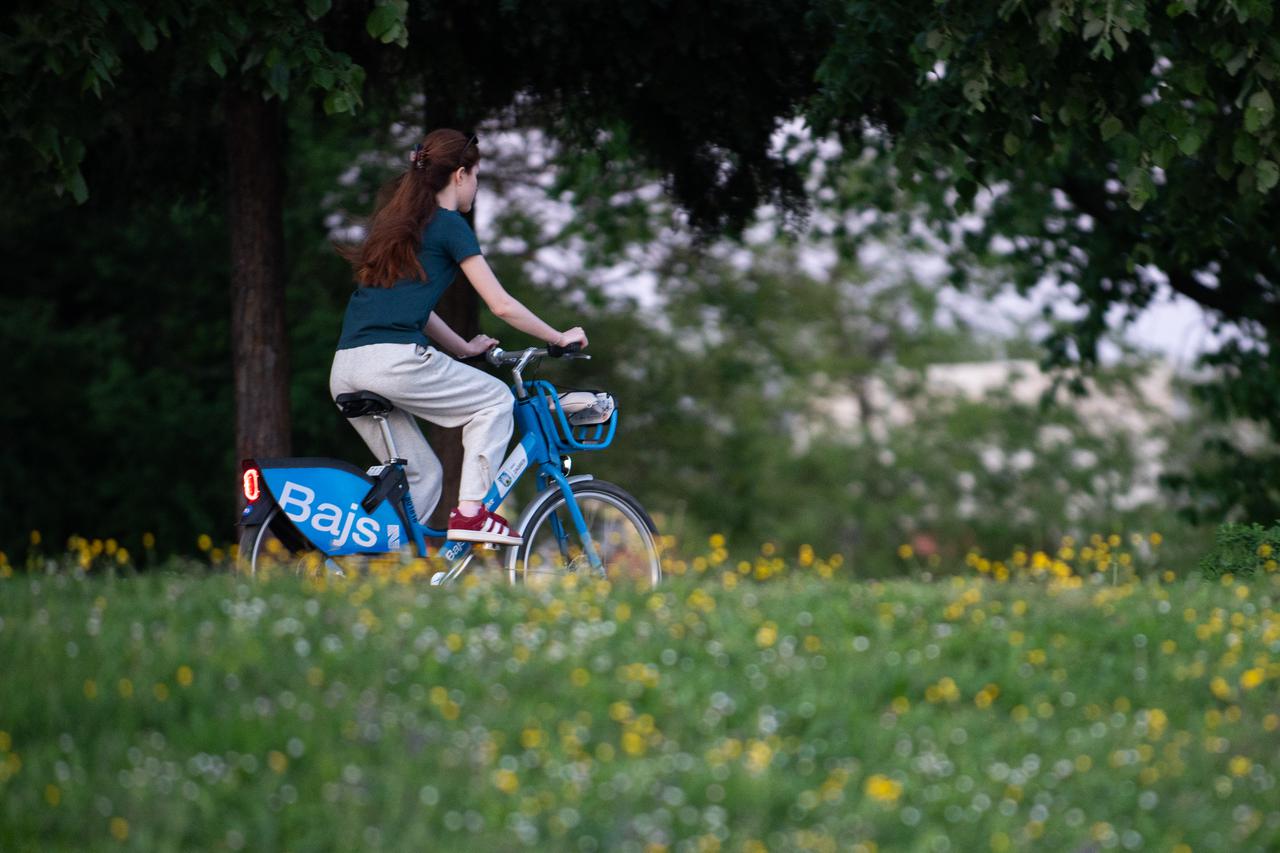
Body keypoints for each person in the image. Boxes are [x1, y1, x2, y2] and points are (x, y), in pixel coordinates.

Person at [330, 128, 588, 545]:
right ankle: (472, 513)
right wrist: (558, 337)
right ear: (461, 174)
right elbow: (500, 304)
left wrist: (464, 348)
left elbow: (416, 307)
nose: (476, 188)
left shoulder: (399, 226)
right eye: (478, 178)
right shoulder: (449, 226)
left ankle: (369, 562)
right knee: (495, 400)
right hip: (393, 362)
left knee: (421, 475)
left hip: (346, 367)